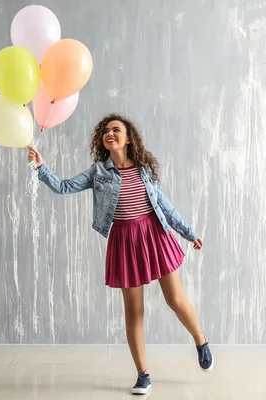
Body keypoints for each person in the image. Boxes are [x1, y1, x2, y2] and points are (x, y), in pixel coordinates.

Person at [27, 114, 213, 395]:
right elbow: (64, 186)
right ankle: (143, 374)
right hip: (124, 241)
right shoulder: (98, 172)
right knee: (133, 312)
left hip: (154, 236)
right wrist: (41, 168)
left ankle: (201, 341)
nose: (109, 133)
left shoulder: (145, 168)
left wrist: (189, 233)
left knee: (175, 300)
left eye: (116, 129)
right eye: (105, 131)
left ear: (128, 138)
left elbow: (165, 205)